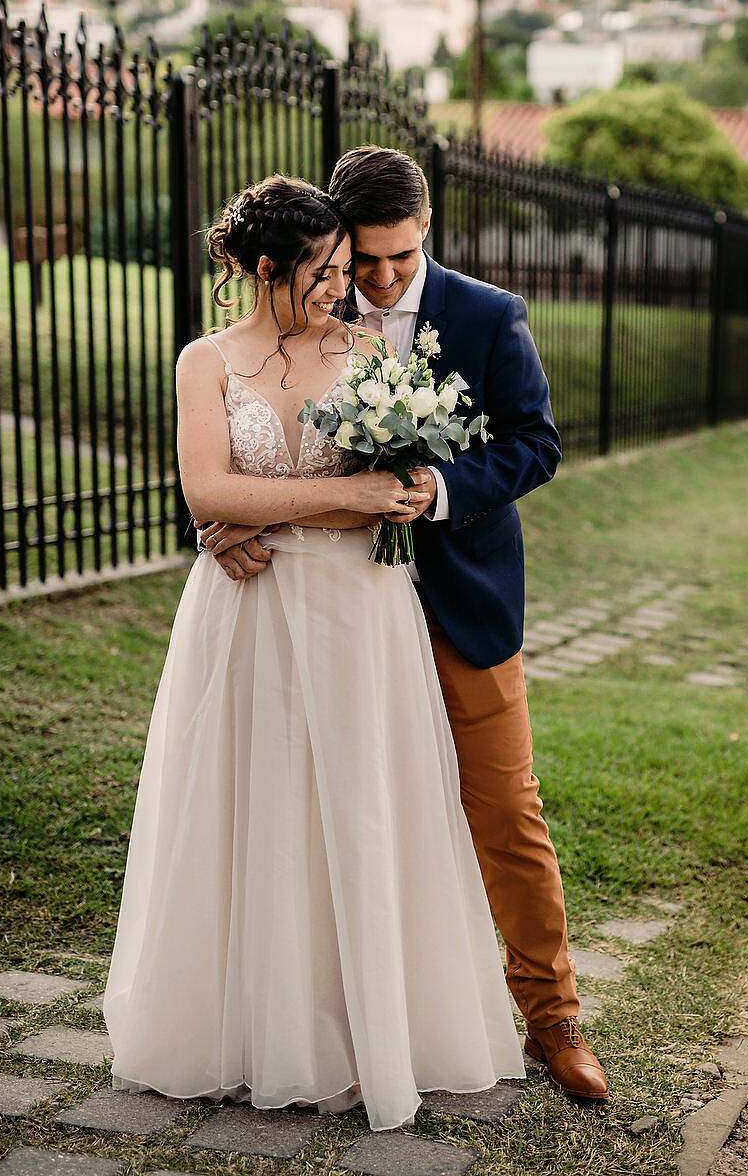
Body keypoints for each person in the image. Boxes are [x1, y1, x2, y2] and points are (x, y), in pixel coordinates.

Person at [102, 175, 527, 1133]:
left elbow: (402, 476)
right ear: (266, 270)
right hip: (245, 610)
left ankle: (369, 1020)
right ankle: (250, 1023)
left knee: (364, 800)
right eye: (327, 271)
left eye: (350, 268)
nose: (348, 287)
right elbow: (209, 488)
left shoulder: (374, 349)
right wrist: (316, 508)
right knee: (254, 798)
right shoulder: (204, 361)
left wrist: (375, 498)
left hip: (360, 611)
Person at [197, 146, 610, 1103]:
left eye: (399, 259)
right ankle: (357, 1022)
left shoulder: (487, 314)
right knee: (335, 813)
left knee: (505, 811)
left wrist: (441, 490)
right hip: (333, 614)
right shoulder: (306, 298)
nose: (376, 282)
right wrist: (223, 519)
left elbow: (537, 444)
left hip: (460, 602)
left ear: (428, 231)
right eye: (361, 261)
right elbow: (250, 434)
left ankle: (554, 1021)